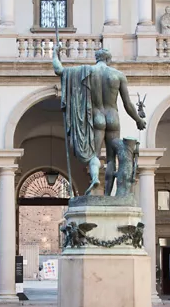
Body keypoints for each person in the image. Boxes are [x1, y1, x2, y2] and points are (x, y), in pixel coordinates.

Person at [53, 47, 146, 196]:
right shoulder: (118, 75)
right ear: (109, 59)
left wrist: (55, 53)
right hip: (113, 117)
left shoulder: (86, 71)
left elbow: (59, 70)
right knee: (111, 158)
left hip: (97, 117)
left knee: (94, 155)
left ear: (96, 58)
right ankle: (107, 195)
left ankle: (95, 177)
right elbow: (127, 104)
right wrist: (138, 120)